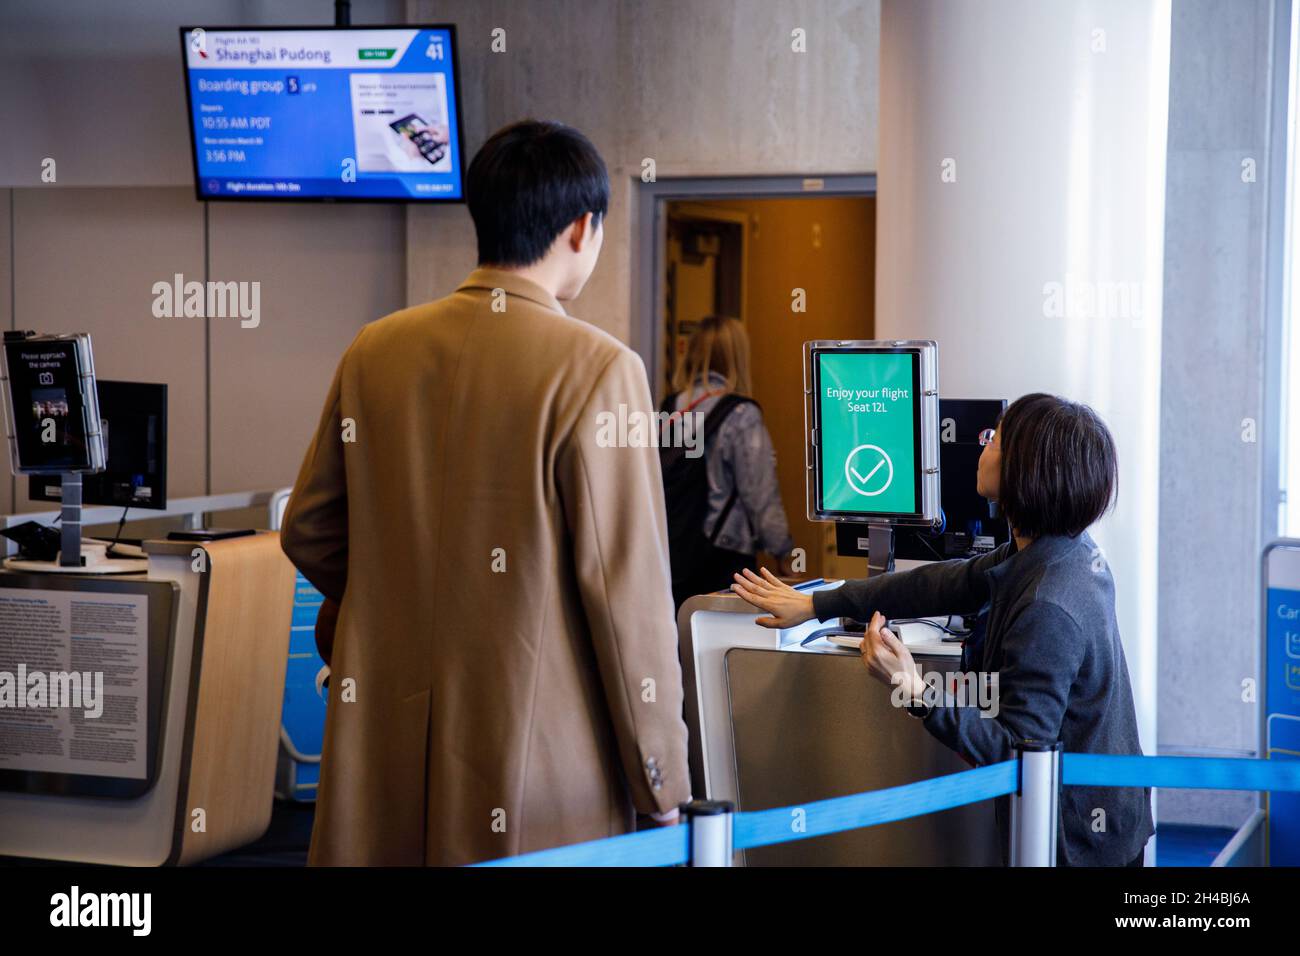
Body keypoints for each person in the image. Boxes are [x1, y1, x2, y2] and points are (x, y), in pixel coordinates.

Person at [281, 119, 691, 866]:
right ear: (581, 228)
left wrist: (384, 612)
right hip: (536, 771)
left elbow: (307, 527)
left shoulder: (376, 349)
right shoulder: (600, 368)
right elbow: (624, 591)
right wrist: (660, 779)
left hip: (381, 749)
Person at [730, 393, 1154, 866]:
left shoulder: (1048, 604)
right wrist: (817, 604)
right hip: (1096, 823)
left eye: (996, 438)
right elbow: (944, 583)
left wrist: (913, 689)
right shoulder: (1053, 550)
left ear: (1024, 471)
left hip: (1078, 845)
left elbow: (1019, 754)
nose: (984, 445)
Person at [660, 316, 796, 610]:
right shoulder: (740, 413)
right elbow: (759, 494)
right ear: (736, 358)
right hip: (722, 558)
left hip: (669, 554)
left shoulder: (668, 409)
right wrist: (783, 550)